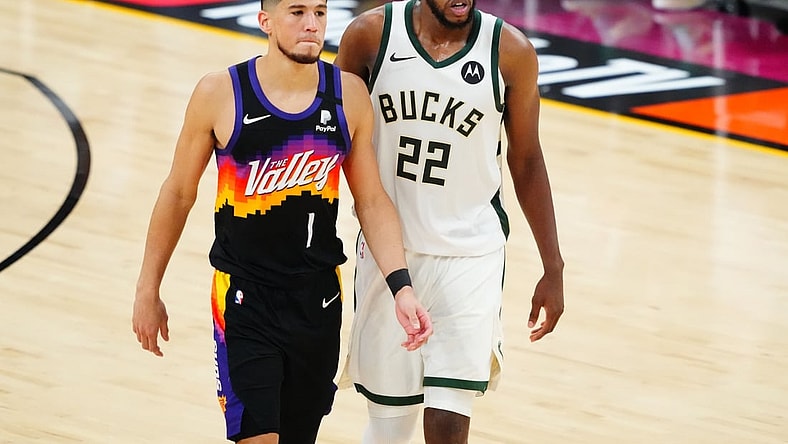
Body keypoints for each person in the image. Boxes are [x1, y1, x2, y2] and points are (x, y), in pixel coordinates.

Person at [131, 0, 432, 442]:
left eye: (320, 12)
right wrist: (147, 288)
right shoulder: (220, 93)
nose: (312, 25)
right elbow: (178, 193)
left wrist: (401, 287)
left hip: (319, 301)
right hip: (243, 299)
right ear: (266, 22)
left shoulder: (348, 96)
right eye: (297, 13)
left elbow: (370, 200)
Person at [334, 0, 565, 443]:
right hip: (389, 253)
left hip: (471, 253)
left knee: (448, 418)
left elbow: (528, 159)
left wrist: (553, 266)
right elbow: (333, 134)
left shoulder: (509, 51)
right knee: (389, 424)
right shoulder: (369, 36)